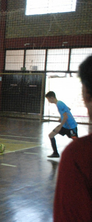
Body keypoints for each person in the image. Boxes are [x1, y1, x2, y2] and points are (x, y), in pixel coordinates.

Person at [53, 55, 92, 221]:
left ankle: (55, 152)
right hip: (69, 126)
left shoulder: (79, 156)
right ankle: (54, 151)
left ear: (86, 95)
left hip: (70, 126)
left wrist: (61, 124)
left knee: (70, 142)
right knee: (52, 135)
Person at [45, 91, 78, 158]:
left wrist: (60, 126)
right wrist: (61, 117)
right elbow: (68, 109)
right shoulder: (59, 103)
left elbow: (66, 116)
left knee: (76, 141)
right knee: (51, 135)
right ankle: (55, 153)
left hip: (71, 127)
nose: (48, 101)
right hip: (65, 126)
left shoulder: (59, 104)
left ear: (52, 97)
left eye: (48, 99)